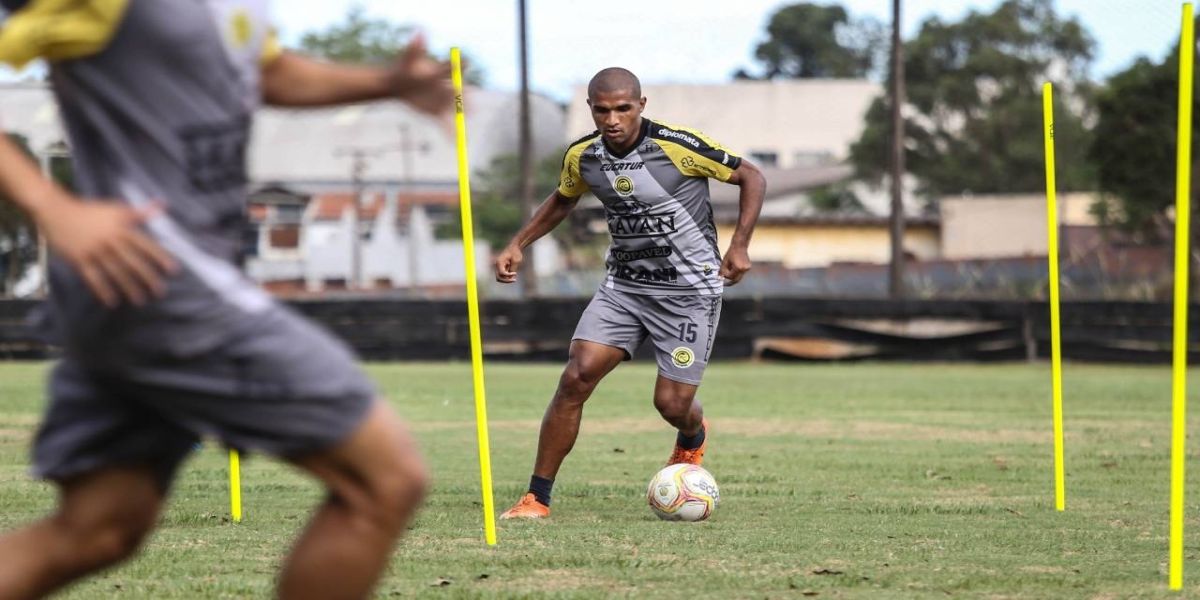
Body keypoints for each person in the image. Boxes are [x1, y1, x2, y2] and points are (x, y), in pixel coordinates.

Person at [0, 1, 453, 598]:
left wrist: (388, 83)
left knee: (97, 531)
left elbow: (268, 73)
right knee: (384, 481)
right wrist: (53, 207)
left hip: (137, 286)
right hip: (166, 283)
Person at [495, 67, 765, 520]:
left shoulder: (678, 146)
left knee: (672, 405)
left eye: (623, 108)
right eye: (602, 110)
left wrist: (739, 245)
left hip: (688, 292)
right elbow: (564, 198)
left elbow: (752, 177)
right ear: (590, 109)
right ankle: (536, 497)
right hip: (624, 288)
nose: (613, 119)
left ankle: (692, 435)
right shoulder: (583, 156)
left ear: (641, 105)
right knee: (576, 376)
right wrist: (517, 243)